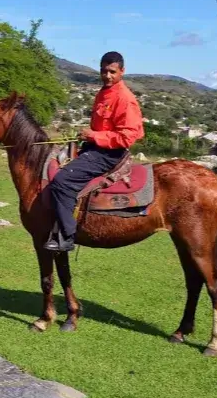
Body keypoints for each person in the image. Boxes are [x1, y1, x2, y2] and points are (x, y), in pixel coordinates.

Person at [46, 51, 144, 252]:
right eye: (103, 71)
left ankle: (66, 236)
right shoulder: (103, 92)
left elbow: (127, 137)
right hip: (94, 147)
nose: (107, 76)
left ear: (122, 71)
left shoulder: (125, 99)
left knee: (61, 181)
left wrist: (93, 136)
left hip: (108, 154)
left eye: (112, 72)